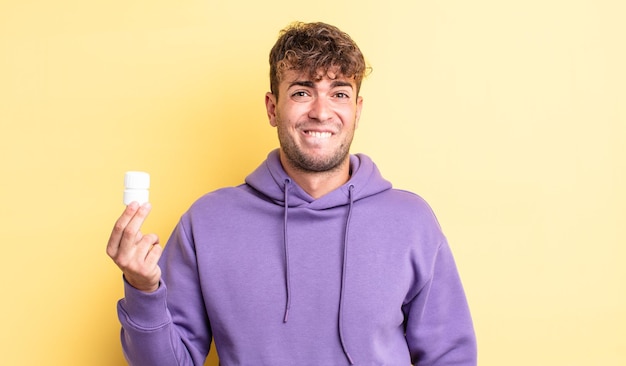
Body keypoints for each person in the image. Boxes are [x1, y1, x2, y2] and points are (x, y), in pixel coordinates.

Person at [107, 21, 477, 366]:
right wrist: (143, 289)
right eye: (302, 91)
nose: (321, 111)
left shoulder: (410, 221)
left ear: (357, 110)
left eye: (339, 93)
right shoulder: (206, 222)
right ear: (272, 108)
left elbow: (450, 356)